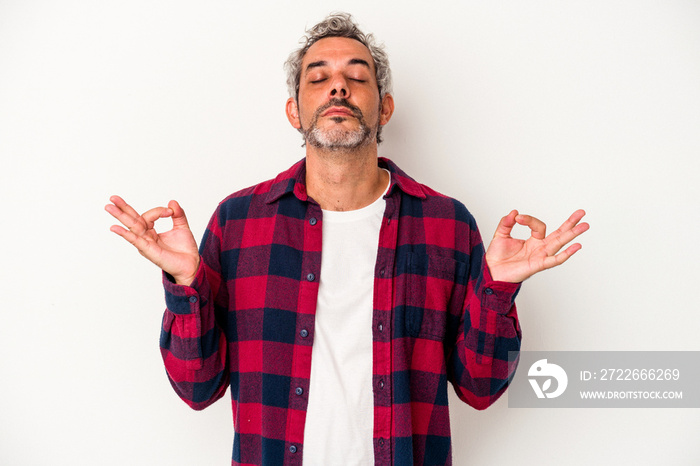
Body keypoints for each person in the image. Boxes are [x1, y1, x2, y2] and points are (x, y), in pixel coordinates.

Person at [106, 12, 588, 466]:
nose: (338, 85)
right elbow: (196, 387)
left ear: (386, 108)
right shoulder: (239, 223)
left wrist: (497, 290)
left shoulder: (448, 225)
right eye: (318, 77)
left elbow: (481, 389)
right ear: (295, 112)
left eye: (358, 77)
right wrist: (186, 284)